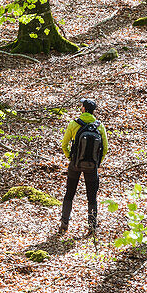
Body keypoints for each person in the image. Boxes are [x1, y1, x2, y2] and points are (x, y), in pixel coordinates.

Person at [58, 98, 108, 235]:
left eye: (82, 106)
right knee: (92, 196)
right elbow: (105, 149)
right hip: (92, 167)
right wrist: (97, 163)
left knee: (69, 194)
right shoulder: (99, 126)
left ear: (84, 109)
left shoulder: (74, 124)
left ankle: (64, 224)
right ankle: (92, 226)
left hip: (75, 165)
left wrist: (70, 158)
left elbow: (64, 144)